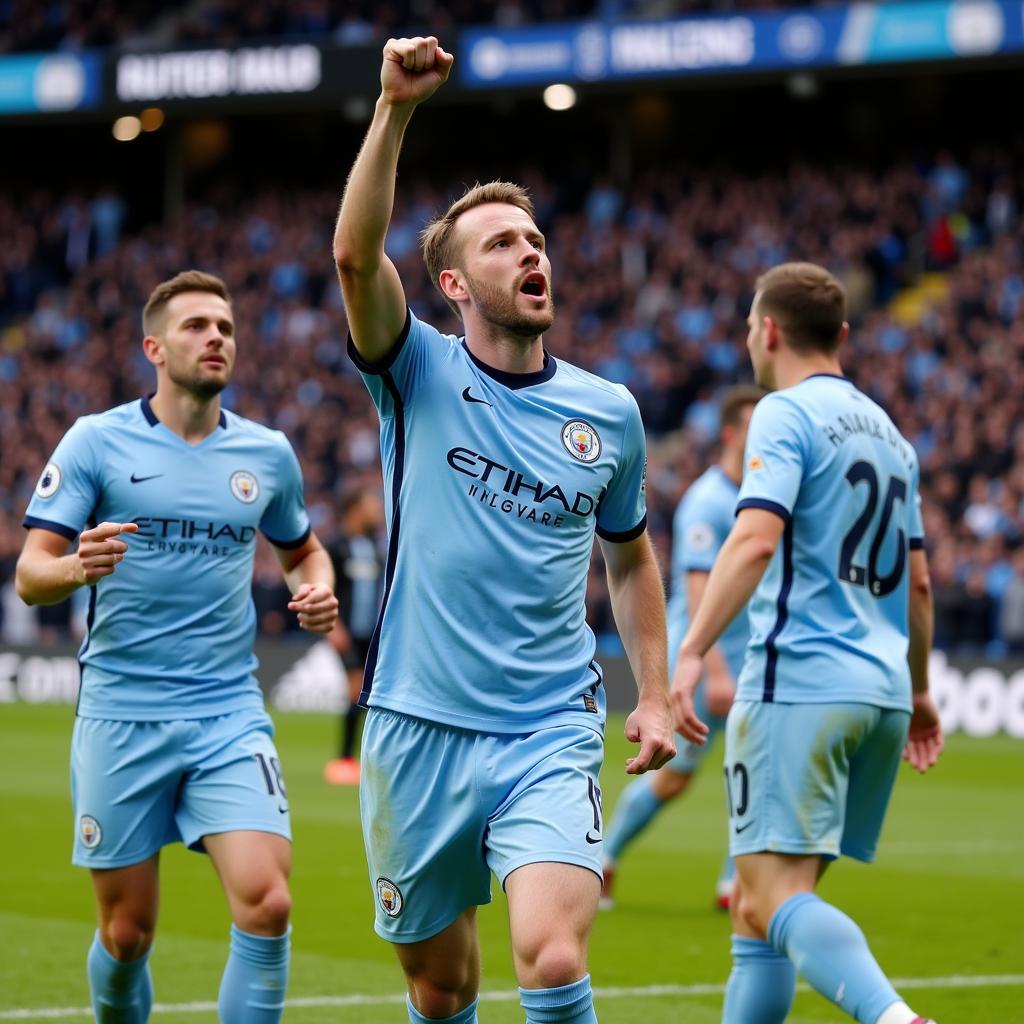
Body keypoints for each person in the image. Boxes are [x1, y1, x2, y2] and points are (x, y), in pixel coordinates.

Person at [333, 35, 676, 1024]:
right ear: (452, 284)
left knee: (554, 958)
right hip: (414, 725)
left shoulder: (608, 412)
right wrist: (394, 108)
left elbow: (630, 555)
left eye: (532, 241)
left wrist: (652, 692)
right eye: (499, 244)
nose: (529, 253)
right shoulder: (417, 372)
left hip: (548, 724)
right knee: (441, 988)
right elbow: (355, 256)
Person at [15, 270, 338, 1024]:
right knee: (127, 935)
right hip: (122, 713)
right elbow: (32, 576)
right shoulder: (97, 441)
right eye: (197, 326)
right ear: (154, 347)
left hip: (229, 712)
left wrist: (316, 586)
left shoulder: (267, 455)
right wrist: (74, 566)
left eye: (225, 326)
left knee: (269, 903)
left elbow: (305, 551)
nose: (216, 337)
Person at [672, 262, 943, 1024]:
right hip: (882, 695)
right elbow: (920, 587)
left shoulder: (782, 413)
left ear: (766, 331)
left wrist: (692, 649)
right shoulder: (892, 436)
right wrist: (920, 693)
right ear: (844, 336)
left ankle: (892, 1018)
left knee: (773, 898)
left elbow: (755, 539)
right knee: (756, 918)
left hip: (800, 684)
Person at [601, 386, 763, 911]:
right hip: (705, 663)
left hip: (755, 664)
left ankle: (733, 884)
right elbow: (697, 590)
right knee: (674, 779)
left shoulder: (768, 496)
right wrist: (712, 668)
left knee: (761, 772)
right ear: (732, 433)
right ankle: (605, 857)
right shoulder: (709, 501)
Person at [324, 484, 385, 785]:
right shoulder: (337, 547)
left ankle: (360, 759)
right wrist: (333, 627)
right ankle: (345, 760)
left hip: (372, 634)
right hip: (346, 631)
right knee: (354, 691)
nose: (377, 510)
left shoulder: (375, 548)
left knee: (367, 697)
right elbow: (326, 588)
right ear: (354, 510)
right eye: (370, 504)